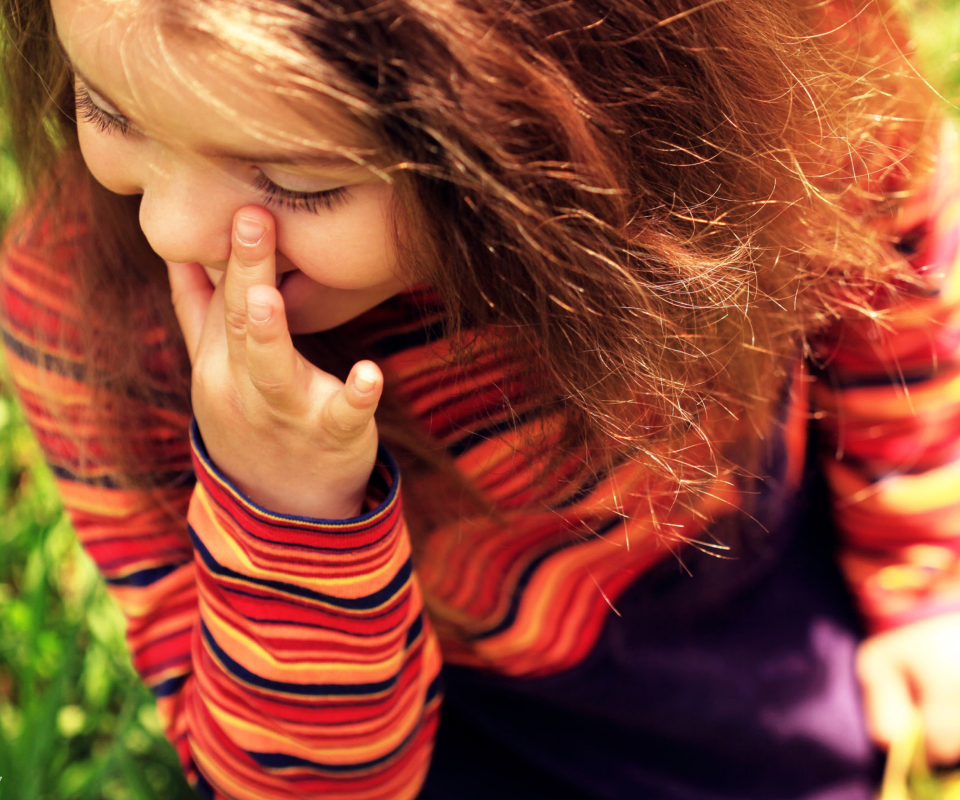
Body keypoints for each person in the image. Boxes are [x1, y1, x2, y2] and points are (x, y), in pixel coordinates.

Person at [2, 0, 960, 796]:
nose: (168, 228)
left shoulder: (776, 78)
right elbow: (295, 785)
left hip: (738, 564)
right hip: (432, 694)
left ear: (540, 101)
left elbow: (897, 279)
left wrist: (928, 583)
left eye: (294, 179)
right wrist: (287, 508)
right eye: (111, 108)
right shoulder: (88, 312)